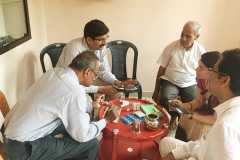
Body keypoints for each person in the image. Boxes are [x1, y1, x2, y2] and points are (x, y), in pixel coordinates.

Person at [3, 50, 119, 160]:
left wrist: (92, 105)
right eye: (96, 74)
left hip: (10, 133)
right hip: (22, 149)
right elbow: (83, 135)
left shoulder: (54, 72)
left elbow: (66, 105)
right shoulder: (74, 91)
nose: (95, 78)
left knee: (74, 125)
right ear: (87, 72)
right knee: (91, 143)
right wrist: (106, 120)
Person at [159, 48, 240, 160]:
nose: (209, 76)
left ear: (224, 81)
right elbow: (203, 143)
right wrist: (179, 153)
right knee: (165, 143)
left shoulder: (224, 127)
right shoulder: (230, 107)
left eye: (213, 71)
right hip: (199, 150)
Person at [56, 19, 136, 101]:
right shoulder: (74, 49)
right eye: (101, 39)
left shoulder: (101, 47)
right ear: (89, 40)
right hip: (68, 83)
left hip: (90, 77)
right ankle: (92, 111)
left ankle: (107, 113)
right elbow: (72, 82)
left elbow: (104, 71)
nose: (105, 43)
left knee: (116, 91)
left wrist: (118, 82)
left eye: (106, 38)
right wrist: (100, 89)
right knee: (87, 102)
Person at [152, 21, 206, 130]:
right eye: (182, 34)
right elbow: (161, 69)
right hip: (170, 80)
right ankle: (174, 116)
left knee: (193, 103)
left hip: (190, 82)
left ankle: (180, 119)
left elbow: (203, 73)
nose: (183, 39)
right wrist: (156, 90)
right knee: (166, 98)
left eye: (188, 36)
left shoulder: (200, 51)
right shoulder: (171, 47)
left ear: (197, 36)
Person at [169, 51, 221, 141]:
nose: (196, 69)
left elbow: (214, 119)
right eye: (198, 66)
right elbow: (199, 101)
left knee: (192, 120)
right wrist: (182, 106)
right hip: (208, 109)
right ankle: (179, 146)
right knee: (184, 117)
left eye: (201, 68)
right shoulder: (202, 78)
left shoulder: (221, 88)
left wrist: (192, 115)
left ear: (212, 72)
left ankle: (191, 151)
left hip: (217, 118)